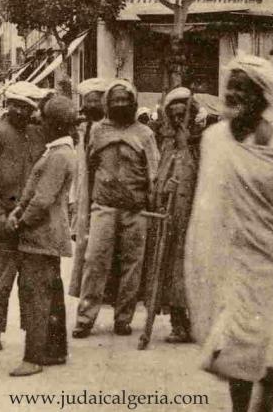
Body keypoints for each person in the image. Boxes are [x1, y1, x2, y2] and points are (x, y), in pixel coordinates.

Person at [185, 55, 273, 412]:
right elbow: (208, 198)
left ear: (263, 96)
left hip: (260, 259)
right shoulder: (213, 138)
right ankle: (266, 376)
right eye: (231, 85)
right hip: (218, 255)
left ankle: (248, 399)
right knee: (228, 342)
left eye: (244, 87)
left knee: (239, 340)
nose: (233, 93)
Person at [71, 79, 158, 338]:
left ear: (133, 103)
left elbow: (153, 172)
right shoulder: (97, 132)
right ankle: (85, 319)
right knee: (95, 262)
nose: (120, 104)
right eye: (116, 100)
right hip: (103, 207)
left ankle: (123, 319)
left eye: (125, 100)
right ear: (109, 103)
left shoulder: (145, 134)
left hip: (136, 210)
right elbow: (87, 168)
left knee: (133, 266)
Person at [5, 96, 78, 377]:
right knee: (51, 292)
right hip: (47, 232)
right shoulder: (60, 151)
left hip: (41, 234)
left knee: (35, 295)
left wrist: (20, 222)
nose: (39, 124)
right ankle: (54, 349)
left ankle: (33, 356)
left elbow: (42, 199)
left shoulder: (59, 155)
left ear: (54, 124)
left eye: (43, 120)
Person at [0, 81, 46, 354]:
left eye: (26, 107)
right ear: (8, 106)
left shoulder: (37, 135)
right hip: (5, 221)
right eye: (16, 106)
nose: (21, 112)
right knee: (1, 281)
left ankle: (32, 334)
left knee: (31, 282)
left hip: (32, 221)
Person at [148, 87, 201, 344]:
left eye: (184, 116)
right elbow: (159, 174)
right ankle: (179, 322)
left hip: (197, 215)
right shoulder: (167, 143)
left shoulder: (201, 143)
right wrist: (163, 188)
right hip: (172, 217)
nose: (180, 122)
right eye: (175, 116)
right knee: (171, 268)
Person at [69, 77, 109, 271]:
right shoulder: (80, 129)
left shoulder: (108, 127)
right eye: (88, 101)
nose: (92, 105)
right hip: (83, 188)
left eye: (96, 100)